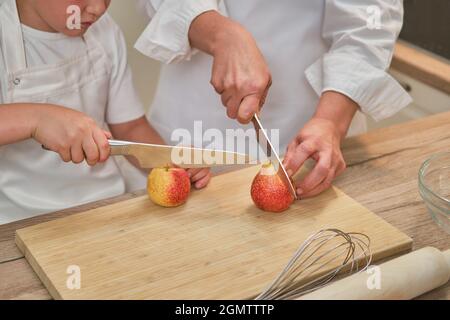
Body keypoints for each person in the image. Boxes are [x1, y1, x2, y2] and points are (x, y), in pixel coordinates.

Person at [135, 0, 412, 199]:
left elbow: (369, 22)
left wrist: (330, 120)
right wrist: (221, 34)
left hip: (313, 123)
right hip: (193, 116)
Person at [0, 0, 210, 224]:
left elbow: (130, 127)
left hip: (105, 204)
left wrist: (168, 161)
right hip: (18, 219)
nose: (98, 8)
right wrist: (36, 119)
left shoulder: (104, 31)